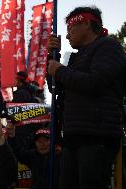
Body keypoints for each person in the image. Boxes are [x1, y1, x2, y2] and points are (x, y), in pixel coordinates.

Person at [47, 6, 126, 189]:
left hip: (97, 134)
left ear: (86, 23)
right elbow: (56, 88)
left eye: (70, 29)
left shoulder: (109, 47)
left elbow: (96, 82)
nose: (67, 36)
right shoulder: (76, 58)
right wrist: (52, 57)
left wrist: (60, 70)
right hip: (73, 135)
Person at [7, 123, 61, 189]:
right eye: (39, 141)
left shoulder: (60, 155)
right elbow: (17, 151)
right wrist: (12, 136)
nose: (43, 144)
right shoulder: (33, 155)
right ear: (35, 143)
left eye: (46, 140)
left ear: (52, 141)